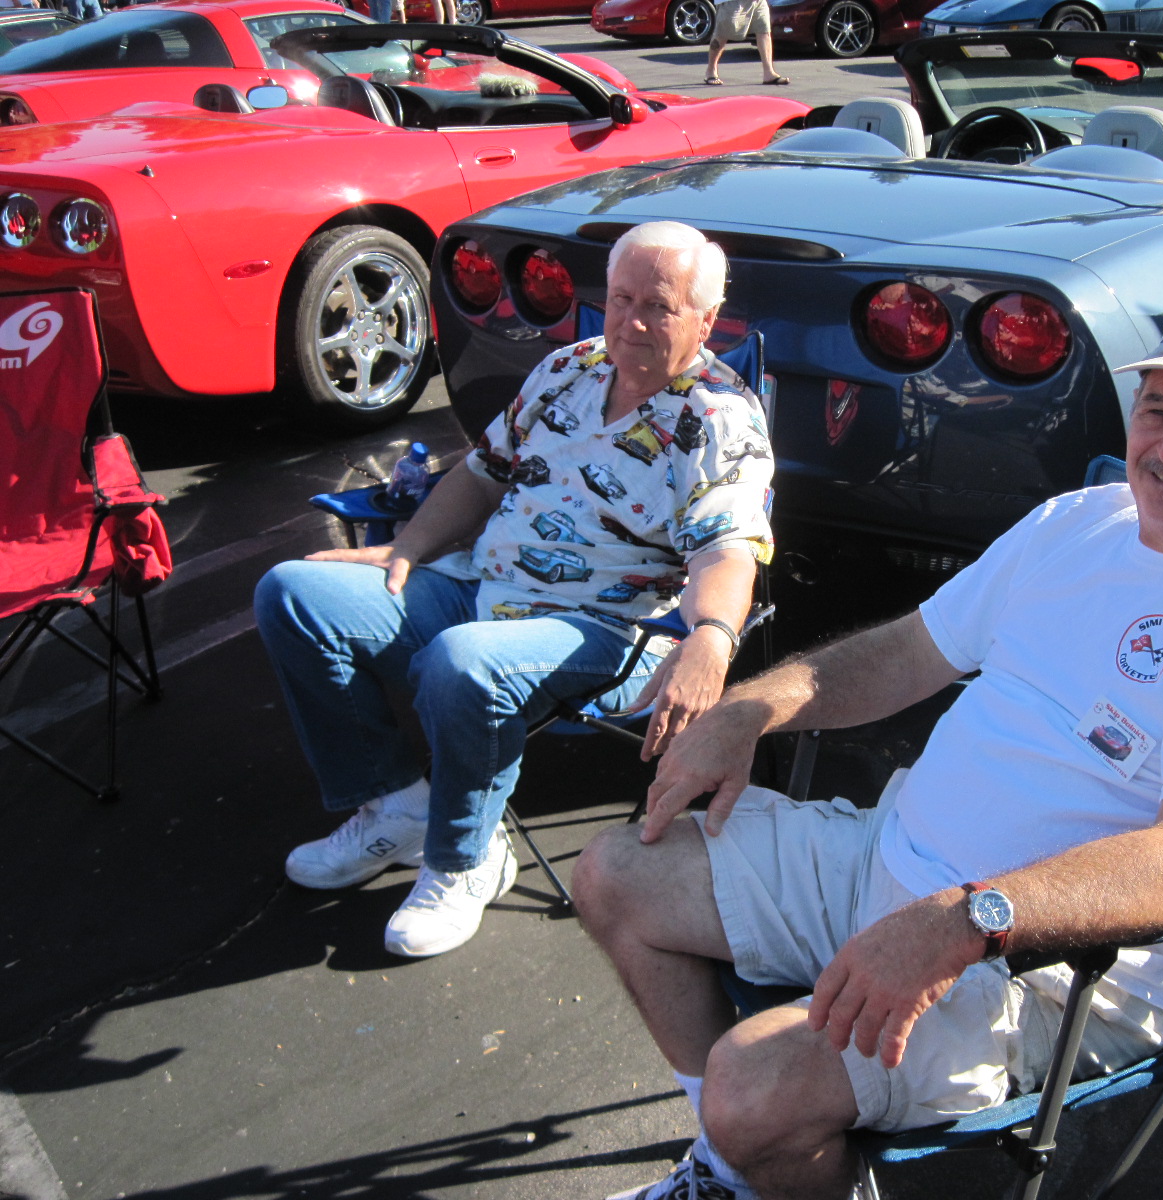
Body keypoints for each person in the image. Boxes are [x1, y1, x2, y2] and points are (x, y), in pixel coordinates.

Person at [574, 303, 1163, 1200]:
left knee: (753, 1084)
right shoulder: (1085, 520)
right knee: (615, 874)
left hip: (1042, 974)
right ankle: (737, 1167)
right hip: (890, 863)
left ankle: (747, 1134)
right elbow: (912, 649)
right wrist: (751, 708)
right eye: (1159, 409)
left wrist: (968, 920)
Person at [255, 221, 774, 960]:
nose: (629, 322)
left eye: (657, 307)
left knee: (463, 662)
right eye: (620, 298)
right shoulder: (570, 367)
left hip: (607, 629)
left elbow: (730, 549)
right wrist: (405, 549)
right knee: (294, 594)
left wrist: (713, 640)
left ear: (706, 320)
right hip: (484, 586)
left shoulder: (718, 420)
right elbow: (481, 473)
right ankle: (400, 807)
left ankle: (467, 860)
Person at [704, 0, 788, 87]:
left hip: (758, 2)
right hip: (732, 2)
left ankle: (769, 73)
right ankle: (711, 71)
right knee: (722, 34)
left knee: (764, 32)